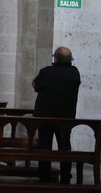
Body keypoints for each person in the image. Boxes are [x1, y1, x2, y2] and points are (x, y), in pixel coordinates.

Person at [33, 46, 81, 184]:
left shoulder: (47, 72)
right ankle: (66, 175)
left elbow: (36, 84)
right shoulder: (74, 72)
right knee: (65, 146)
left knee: (45, 146)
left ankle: (44, 175)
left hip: (45, 116)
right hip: (66, 117)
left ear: (55, 58)